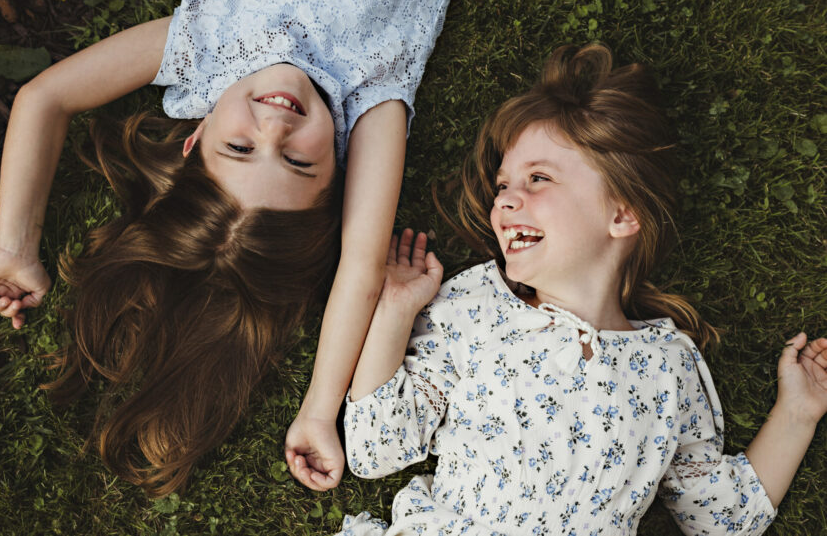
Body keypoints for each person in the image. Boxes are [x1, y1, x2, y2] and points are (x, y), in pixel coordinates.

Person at [0, 0, 473, 496]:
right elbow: (360, 270)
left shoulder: (207, 45)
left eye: (237, 146)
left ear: (196, 135)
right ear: (342, 177)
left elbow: (44, 99)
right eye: (297, 161)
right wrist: (317, 412)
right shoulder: (370, 93)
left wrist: (16, 245)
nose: (274, 128)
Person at [338, 44, 827, 535]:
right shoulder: (476, 306)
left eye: (538, 178)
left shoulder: (667, 367)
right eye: (503, 186)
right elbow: (375, 447)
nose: (507, 199)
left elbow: (721, 519)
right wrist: (396, 311)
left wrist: (797, 414)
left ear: (621, 214)